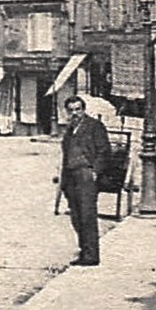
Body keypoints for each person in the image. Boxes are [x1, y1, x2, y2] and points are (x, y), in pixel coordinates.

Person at [58, 94, 110, 266]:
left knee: (87, 215)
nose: (75, 113)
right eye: (71, 110)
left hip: (86, 174)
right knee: (76, 215)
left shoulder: (94, 126)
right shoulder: (69, 130)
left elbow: (104, 151)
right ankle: (84, 251)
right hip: (71, 176)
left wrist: (95, 171)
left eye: (78, 109)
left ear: (84, 109)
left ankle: (91, 255)